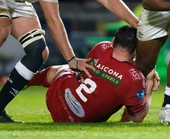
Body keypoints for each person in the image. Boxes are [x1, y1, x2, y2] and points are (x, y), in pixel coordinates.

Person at [0, 0, 139, 122]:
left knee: (38, 52)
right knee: (1, 31)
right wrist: (71, 60)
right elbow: (52, 19)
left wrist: (137, 24)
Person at [26, 25, 159, 122]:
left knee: (65, 69)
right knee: (129, 95)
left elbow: (113, 64)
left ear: (113, 42)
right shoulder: (134, 78)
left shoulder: (101, 48)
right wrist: (148, 83)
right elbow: (138, 117)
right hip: (80, 119)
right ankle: (123, 122)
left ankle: (24, 81)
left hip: (55, 100)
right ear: (136, 52)